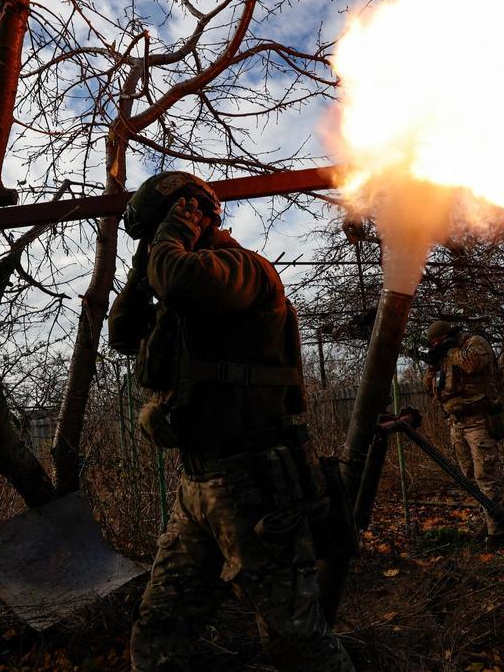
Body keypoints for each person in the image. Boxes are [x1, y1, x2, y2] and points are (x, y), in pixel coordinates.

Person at [109, 172, 353, 671]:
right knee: (161, 628)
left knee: (295, 641)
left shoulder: (241, 269)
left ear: (190, 215)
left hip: (254, 483)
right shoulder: (177, 291)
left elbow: (180, 279)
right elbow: (121, 333)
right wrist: (140, 270)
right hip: (197, 486)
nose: (158, 245)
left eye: (161, 231)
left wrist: (174, 235)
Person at [423, 320, 504, 549]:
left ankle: (498, 532)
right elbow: (429, 386)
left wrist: (449, 350)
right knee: (469, 478)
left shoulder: (474, 344)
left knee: (486, 476)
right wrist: (432, 365)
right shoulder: (442, 356)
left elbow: (472, 364)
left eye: (439, 342)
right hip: (456, 424)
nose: (437, 346)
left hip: (479, 421)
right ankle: (493, 520)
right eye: (434, 344)